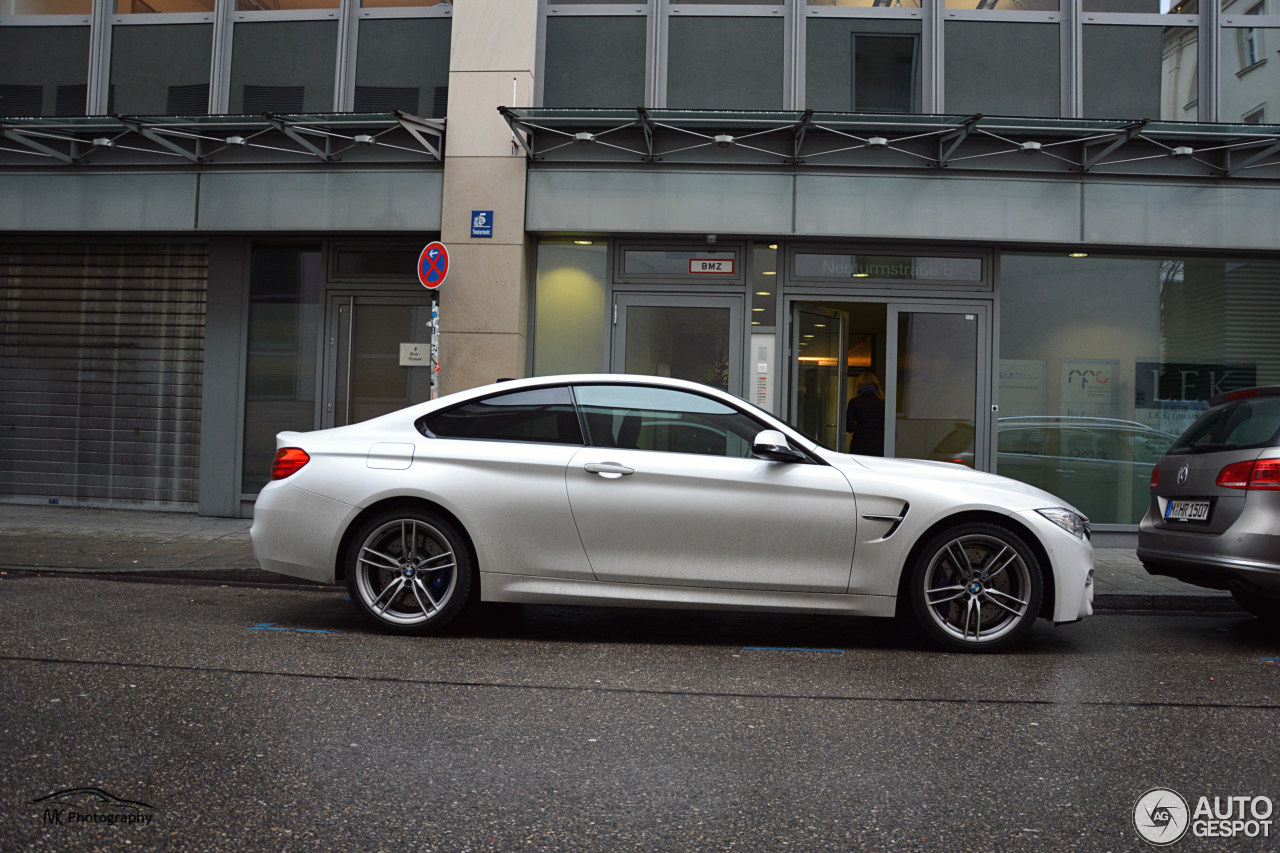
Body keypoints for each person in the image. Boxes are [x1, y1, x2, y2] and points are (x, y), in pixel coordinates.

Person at [846, 371, 885, 456]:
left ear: (859, 385)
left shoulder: (854, 402)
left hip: (859, 446)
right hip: (879, 447)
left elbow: (849, 427)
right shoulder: (883, 402)